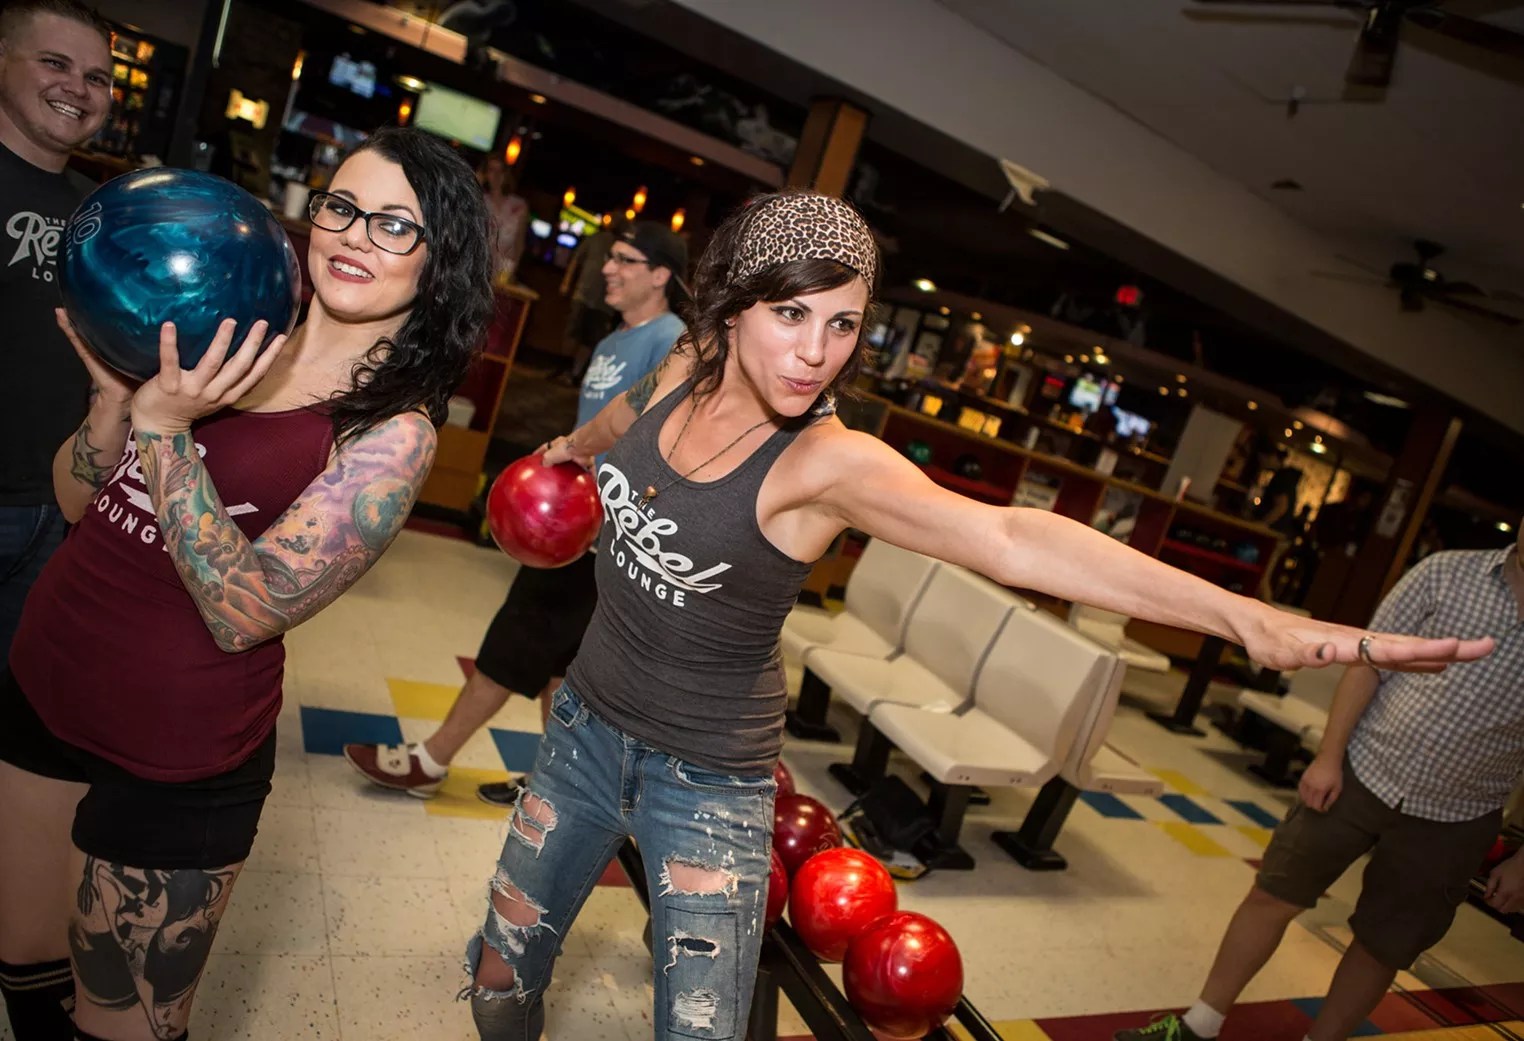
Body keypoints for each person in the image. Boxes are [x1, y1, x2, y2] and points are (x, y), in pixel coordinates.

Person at [454, 189, 1494, 1041]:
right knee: (502, 976)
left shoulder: (826, 461)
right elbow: (624, 420)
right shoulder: (682, 370)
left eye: (844, 323)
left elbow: (1012, 538)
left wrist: (1244, 618)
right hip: (583, 730)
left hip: (707, 782)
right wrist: (570, 453)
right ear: (732, 310)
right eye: (791, 314)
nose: (817, 353)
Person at [0, 127, 492, 1041]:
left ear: (440, 262)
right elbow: (77, 504)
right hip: (48, 673)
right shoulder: (231, 314)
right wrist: (112, 407)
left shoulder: (392, 432)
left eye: (395, 226)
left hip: (175, 749)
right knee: (24, 966)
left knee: (122, 1021)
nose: (354, 235)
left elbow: (247, 610)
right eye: (342, 207)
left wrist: (163, 429)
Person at [1114, 520, 1524, 1041]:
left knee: (1384, 944)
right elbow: (1367, 665)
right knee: (1275, 891)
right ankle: (1200, 1025)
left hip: (1458, 816)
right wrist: (1328, 756)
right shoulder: (1446, 573)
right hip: (1363, 769)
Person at [343, 221, 688, 805]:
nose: (608, 268)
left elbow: (660, 434)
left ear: (660, 276)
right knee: (562, 669)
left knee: (513, 643)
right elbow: (598, 430)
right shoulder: (610, 342)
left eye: (626, 260)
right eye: (612, 258)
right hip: (575, 527)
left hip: (605, 535)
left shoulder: (672, 338)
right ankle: (558, 790)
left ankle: (431, 762)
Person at [0, 0, 112, 661]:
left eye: (97, 77)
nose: (78, 87)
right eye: (54, 62)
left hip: (59, 505)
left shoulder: (100, 212)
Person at [554, 219, 622, 385]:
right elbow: (576, 260)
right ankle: (563, 369)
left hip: (604, 303)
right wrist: (566, 282)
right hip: (584, 295)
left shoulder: (623, 247)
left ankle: (575, 374)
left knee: (589, 340)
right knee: (572, 333)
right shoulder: (595, 238)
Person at [478, 154, 527, 286]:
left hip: (504, 273)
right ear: (486, 174)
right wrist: (477, 182)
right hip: (479, 270)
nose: (496, 175)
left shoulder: (519, 206)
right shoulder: (480, 201)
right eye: (491, 170)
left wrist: (513, 271)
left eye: (500, 171)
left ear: (506, 174)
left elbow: (519, 244)